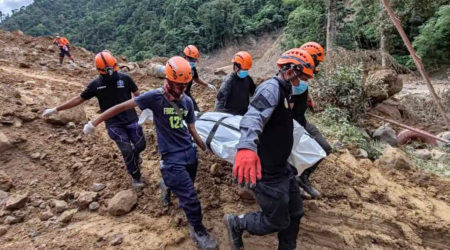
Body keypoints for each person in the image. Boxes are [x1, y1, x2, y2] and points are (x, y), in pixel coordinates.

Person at [83, 56, 218, 250]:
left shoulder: (187, 101)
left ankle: (167, 184)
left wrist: (204, 148)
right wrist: (93, 122)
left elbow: (191, 129)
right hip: (171, 157)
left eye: (185, 85)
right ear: (169, 80)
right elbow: (120, 107)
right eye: (178, 85)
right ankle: (198, 230)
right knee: (190, 197)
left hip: (189, 153)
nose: (181, 90)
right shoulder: (154, 97)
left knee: (187, 182)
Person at [223, 48, 316, 250]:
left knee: (296, 213)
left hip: (283, 167)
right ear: (291, 71)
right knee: (277, 221)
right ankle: (237, 222)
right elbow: (253, 116)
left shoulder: (286, 91)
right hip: (267, 171)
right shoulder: (270, 89)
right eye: (301, 77)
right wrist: (246, 147)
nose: (302, 83)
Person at [42, 51, 146, 188]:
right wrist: (56, 109)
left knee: (140, 145)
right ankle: (135, 176)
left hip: (131, 119)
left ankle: (136, 154)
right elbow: (78, 99)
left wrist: (147, 107)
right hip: (113, 123)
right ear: (99, 70)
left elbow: (138, 95)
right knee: (126, 149)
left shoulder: (126, 79)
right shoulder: (95, 85)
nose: (110, 74)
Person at [290, 42, 332, 198]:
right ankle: (291, 185)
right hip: (291, 125)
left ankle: (303, 177)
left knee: (324, 148)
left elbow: (304, 87)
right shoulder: (291, 77)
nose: (317, 65)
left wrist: (309, 100)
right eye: (317, 61)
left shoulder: (303, 76)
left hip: (302, 121)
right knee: (289, 158)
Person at [214, 51, 256, 116]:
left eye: (247, 70)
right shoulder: (228, 81)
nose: (245, 72)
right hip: (230, 115)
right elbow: (220, 101)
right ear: (236, 67)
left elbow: (254, 92)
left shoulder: (247, 78)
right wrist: (217, 117)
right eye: (244, 70)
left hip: (244, 113)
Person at [182, 45, 217, 112]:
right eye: (191, 60)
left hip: (187, 94)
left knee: (196, 112)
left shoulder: (192, 69)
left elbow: (196, 78)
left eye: (194, 60)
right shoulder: (179, 68)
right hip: (178, 95)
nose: (193, 62)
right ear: (185, 57)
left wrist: (207, 84)